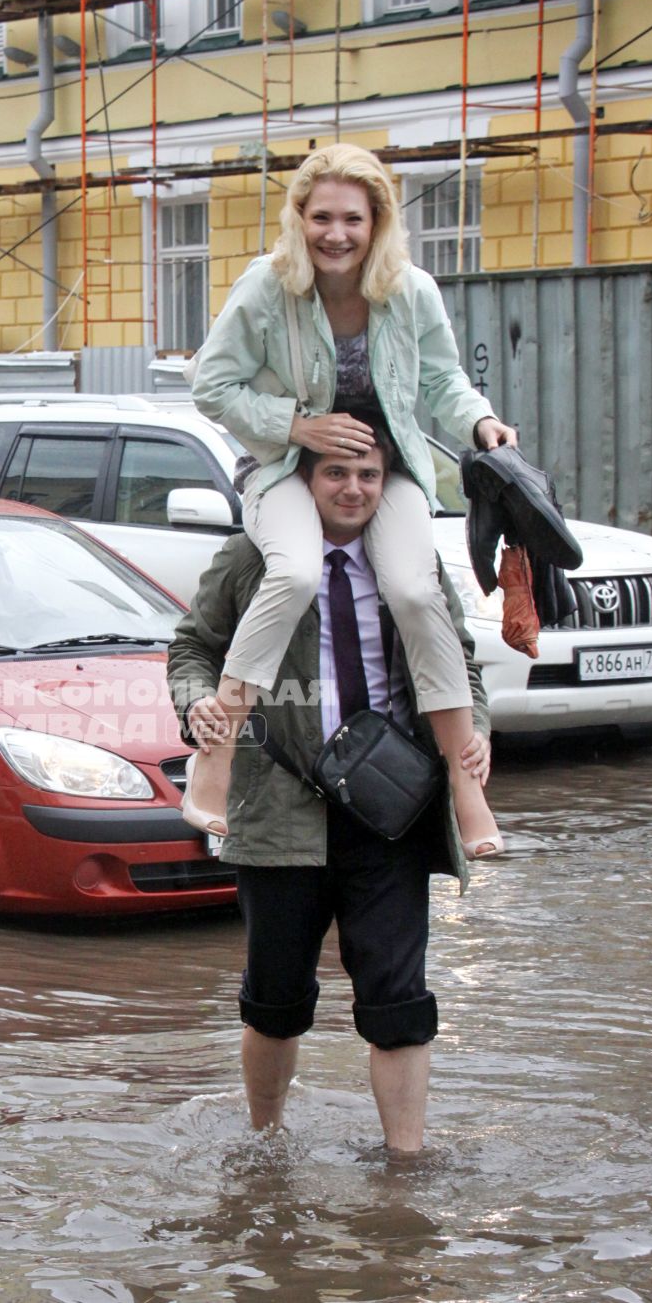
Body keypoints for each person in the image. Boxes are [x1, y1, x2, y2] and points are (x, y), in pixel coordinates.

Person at [183, 142, 512, 858]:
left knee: (415, 591)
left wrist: (481, 424)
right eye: (321, 216)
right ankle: (213, 760)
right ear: (298, 218)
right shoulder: (268, 287)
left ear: (378, 221)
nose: (336, 234)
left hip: (383, 470)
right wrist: (297, 425)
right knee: (296, 572)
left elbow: (442, 383)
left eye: (353, 219)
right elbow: (211, 385)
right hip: (288, 468)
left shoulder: (410, 289)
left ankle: (465, 782)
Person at [167, 440, 491, 1154]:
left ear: (387, 483)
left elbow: (457, 658)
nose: (353, 489)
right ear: (304, 481)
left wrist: (479, 733)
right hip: (281, 811)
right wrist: (197, 703)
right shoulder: (255, 557)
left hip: (391, 812)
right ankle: (265, 1145)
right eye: (336, 474)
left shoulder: (409, 562)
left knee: (400, 999)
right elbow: (192, 647)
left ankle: (407, 1166)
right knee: (276, 1001)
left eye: (368, 475)